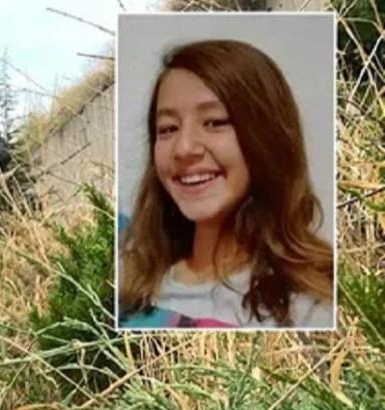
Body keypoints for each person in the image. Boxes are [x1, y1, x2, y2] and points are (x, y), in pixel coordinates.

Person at [118, 39, 334, 329]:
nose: (184, 148)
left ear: (267, 136)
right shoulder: (129, 287)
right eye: (167, 129)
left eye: (215, 122)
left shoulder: (313, 306)